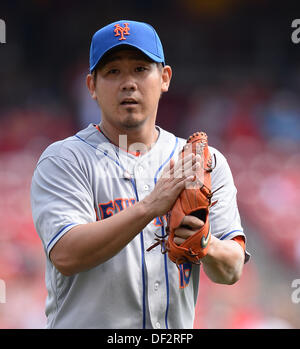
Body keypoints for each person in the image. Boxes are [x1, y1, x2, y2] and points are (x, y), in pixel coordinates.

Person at [31, 20, 250, 329]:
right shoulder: (65, 160)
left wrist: (206, 244)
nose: (128, 83)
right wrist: (150, 206)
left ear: (164, 78)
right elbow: (66, 255)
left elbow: (230, 270)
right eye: (112, 72)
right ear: (92, 87)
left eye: (140, 69)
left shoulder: (203, 162)